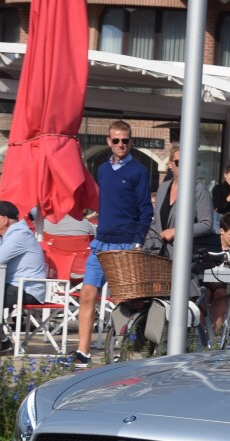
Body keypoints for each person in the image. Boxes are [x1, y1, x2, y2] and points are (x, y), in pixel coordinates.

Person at [72, 121, 153, 367]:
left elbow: (145, 210)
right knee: (87, 294)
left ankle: (122, 349)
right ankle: (83, 353)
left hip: (125, 244)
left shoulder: (138, 171)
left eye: (125, 140)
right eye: (116, 140)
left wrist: (137, 242)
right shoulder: (103, 169)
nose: (120, 144)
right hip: (100, 242)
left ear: (131, 142)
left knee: (123, 301)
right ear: (108, 141)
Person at [145, 144, 212, 258]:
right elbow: (157, 223)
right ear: (170, 165)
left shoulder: (198, 189)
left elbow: (206, 224)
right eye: (179, 162)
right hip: (160, 255)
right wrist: (146, 246)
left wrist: (176, 231)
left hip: (185, 257)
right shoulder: (163, 187)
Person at [199, 211, 230, 339]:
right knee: (205, 296)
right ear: (221, 231)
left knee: (219, 294)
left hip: (225, 286)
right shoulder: (211, 245)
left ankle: (213, 336)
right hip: (209, 282)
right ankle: (202, 335)